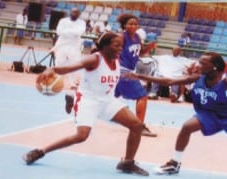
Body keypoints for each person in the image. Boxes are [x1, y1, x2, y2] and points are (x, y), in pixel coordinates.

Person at [126, 51, 227, 178]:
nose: (198, 65)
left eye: (203, 63)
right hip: (211, 114)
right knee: (187, 127)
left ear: (214, 67)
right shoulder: (198, 78)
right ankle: (175, 163)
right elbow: (169, 82)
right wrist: (139, 76)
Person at [22, 32, 149, 176]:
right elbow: (70, 67)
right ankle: (40, 151)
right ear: (105, 46)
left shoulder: (117, 59)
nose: (121, 48)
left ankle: (127, 163)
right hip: (88, 100)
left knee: (137, 125)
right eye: (117, 45)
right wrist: (53, 69)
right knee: (81, 136)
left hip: (107, 100)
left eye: (122, 45)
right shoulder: (94, 59)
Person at [114, 14, 157, 137]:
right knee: (142, 96)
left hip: (128, 70)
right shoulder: (121, 36)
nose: (133, 26)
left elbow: (141, 52)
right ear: (124, 25)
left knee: (106, 97)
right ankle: (139, 127)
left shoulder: (137, 37)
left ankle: (77, 105)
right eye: (130, 23)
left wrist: (150, 46)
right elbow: (112, 50)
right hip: (122, 71)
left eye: (135, 24)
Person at [52, 7, 86, 114]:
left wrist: (66, 32)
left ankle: (70, 94)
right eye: (72, 12)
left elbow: (79, 32)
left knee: (75, 71)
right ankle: (58, 85)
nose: (74, 13)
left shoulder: (82, 23)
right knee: (59, 68)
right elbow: (59, 31)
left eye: (76, 12)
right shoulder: (63, 21)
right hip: (62, 47)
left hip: (74, 48)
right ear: (70, 13)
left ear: (79, 14)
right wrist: (72, 33)